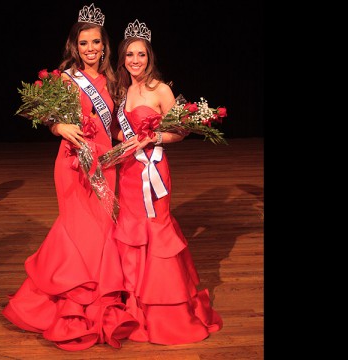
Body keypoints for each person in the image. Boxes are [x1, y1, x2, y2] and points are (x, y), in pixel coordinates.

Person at [2, 4, 139, 351]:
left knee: (105, 229)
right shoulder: (65, 78)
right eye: (84, 44)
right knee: (78, 228)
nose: (90, 49)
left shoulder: (114, 79)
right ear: (74, 46)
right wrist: (59, 125)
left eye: (96, 43)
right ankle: (72, 299)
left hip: (106, 161)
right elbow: (47, 117)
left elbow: (120, 121)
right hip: (73, 160)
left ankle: (100, 296)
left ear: (105, 45)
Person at [111, 19, 223, 345]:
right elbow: (121, 130)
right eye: (130, 54)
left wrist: (152, 138)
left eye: (141, 54)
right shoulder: (123, 90)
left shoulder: (160, 89)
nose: (135, 60)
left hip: (153, 171)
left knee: (157, 229)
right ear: (122, 59)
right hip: (128, 172)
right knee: (132, 233)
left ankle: (164, 308)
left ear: (150, 57)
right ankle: (134, 304)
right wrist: (122, 140)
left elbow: (182, 130)